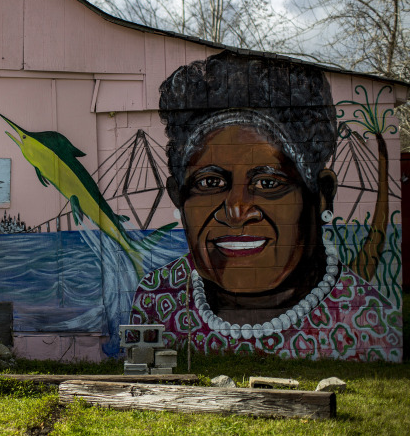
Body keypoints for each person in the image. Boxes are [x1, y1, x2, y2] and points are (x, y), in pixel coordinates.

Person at [130, 51, 400, 360]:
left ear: (321, 194)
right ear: (178, 196)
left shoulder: (368, 324)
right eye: (209, 183)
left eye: (268, 183)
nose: (236, 210)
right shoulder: (158, 298)